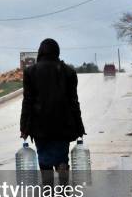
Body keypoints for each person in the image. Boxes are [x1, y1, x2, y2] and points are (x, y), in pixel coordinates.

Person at [19, 39, 86, 178]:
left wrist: (24, 128)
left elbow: (28, 102)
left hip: (40, 126)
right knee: (62, 156)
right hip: (63, 125)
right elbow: (74, 102)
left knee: (44, 159)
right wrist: (79, 127)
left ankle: (47, 191)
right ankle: (62, 176)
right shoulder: (68, 72)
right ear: (57, 51)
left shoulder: (31, 72)